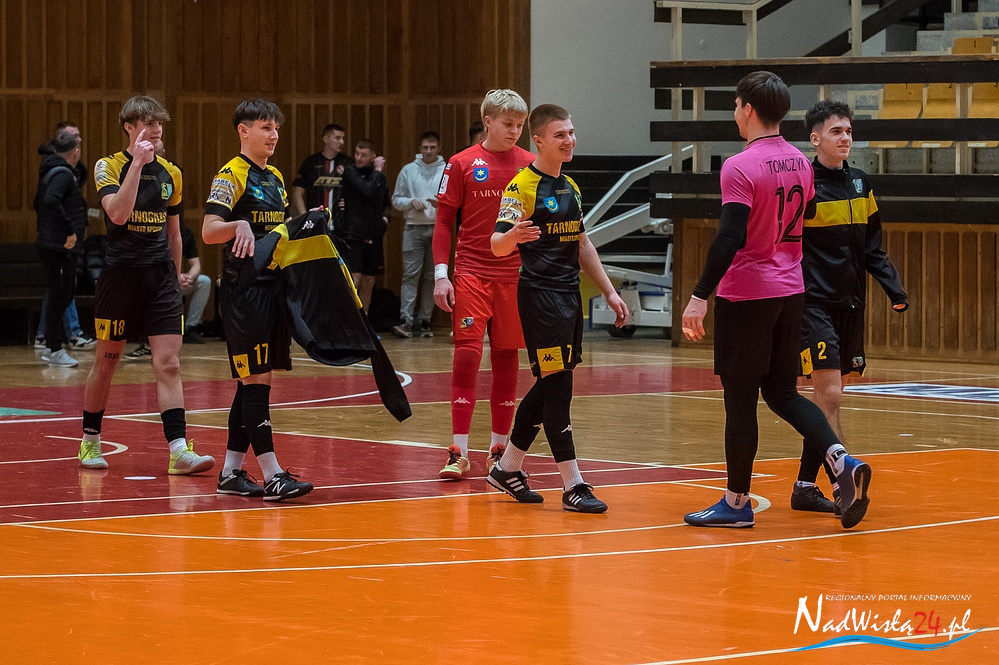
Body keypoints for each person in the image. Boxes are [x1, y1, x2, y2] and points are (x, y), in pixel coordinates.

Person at [679, 72, 872, 530]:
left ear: (747, 109)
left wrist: (699, 295)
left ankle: (736, 503)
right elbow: (807, 212)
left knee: (740, 402)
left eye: (736, 106)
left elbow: (730, 236)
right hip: (791, 292)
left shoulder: (740, 166)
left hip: (747, 293)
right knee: (783, 393)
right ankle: (840, 459)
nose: (735, 113)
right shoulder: (800, 161)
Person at [488, 104, 628, 513]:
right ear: (539, 141)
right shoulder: (521, 187)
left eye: (571, 132)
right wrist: (512, 236)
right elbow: (496, 245)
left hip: (569, 298)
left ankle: (507, 468)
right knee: (559, 389)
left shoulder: (571, 187)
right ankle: (573, 485)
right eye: (560, 135)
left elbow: (582, 244)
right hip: (540, 300)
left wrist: (609, 292)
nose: (570, 140)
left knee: (550, 386)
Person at [78, 95, 214, 475]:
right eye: (149, 123)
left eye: (159, 123)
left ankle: (179, 450)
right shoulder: (108, 166)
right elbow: (118, 214)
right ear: (129, 127)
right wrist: (137, 163)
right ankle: (90, 441)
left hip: (159, 278)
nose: (156, 130)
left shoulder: (172, 173)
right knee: (107, 362)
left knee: (169, 363)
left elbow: (175, 234)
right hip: (120, 275)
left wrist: (174, 277)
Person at [791, 100, 908, 513]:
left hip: (851, 305)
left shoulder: (860, 183)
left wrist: (894, 289)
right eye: (836, 131)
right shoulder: (803, 184)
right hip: (812, 304)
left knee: (828, 401)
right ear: (815, 138)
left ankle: (805, 486)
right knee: (830, 394)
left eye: (849, 131)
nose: (845, 138)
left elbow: (872, 247)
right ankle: (845, 483)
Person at [202, 98, 314, 501]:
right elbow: (209, 230)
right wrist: (237, 225)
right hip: (244, 292)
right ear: (243, 130)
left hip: (272, 288)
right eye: (266, 128)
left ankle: (231, 472)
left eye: (276, 128)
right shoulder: (231, 174)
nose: (274, 135)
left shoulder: (276, 177)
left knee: (250, 382)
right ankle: (273, 475)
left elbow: (276, 234)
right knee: (257, 384)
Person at [432, 89, 535, 479]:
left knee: (507, 356)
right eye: (508, 124)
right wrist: (441, 276)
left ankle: (498, 450)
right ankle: (458, 450)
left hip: (515, 277)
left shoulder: (531, 165)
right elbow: (444, 222)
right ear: (488, 122)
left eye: (520, 124)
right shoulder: (461, 163)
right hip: (472, 273)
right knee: (467, 354)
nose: (515, 131)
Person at [35, 121, 97, 351]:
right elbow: (49, 201)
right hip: (59, 244)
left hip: (55, 242)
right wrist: (69, 229)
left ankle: (47, 340)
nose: (78, 141)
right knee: (61, 292)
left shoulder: (59, 170)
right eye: (74, 137)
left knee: (59, 292)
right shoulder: (61, 173)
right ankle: (61, 342)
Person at [391, 131, 445, 338]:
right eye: (425, 148)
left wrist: (442, 205)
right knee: (410, 275)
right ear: (420, 149)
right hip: (413, 227)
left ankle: (425, 321)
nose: (429, 151)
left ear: (439, 148)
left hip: (438, 228)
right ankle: (406, 321)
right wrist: (411, 202)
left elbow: (456, 200)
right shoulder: (408, 170)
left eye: (432, 147)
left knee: (433, 276)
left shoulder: (446, 170)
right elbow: (396, 200)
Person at [341, 139, 390, 311]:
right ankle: (349, 320)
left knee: (369, 280)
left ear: (372, 157)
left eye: (363, 155)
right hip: (354, 233)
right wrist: (378, 170)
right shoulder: (350, 172)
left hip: (374, 235)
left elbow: (386, 204)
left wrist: (385, 221)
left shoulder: (380, 178)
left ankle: (365, 319)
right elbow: (367, 190)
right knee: (354, 279)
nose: (358, 158)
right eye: (357, 154)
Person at [289, 123, 352, 225]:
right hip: (315, 223)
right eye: (337, 138)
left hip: (342, 225)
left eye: (343, 138)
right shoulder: (311, 162)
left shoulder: (348, 163)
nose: (342, 142)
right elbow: (297, 194)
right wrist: (305, 217)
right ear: (326, 139)